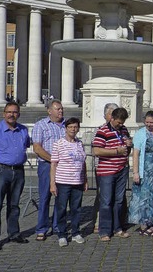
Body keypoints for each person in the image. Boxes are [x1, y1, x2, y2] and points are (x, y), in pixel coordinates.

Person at [0, 102, 30, 251]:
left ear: (18, 114)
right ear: (3, 113)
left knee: (14, 205)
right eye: (9, 112)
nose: (11, 114)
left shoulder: (23, 130)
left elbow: (25, 146)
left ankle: (14, 233)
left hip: (18, 171)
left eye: (14, 112)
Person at [92, 107, 132, 241]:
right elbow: (96, 151)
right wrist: (116, 152)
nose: (121, 125)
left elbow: (126, 150)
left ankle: (117, 228)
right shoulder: (103, 131)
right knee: (106, 201)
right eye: (119, 123)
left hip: (122, 169)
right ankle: (104, 231)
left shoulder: (124, 130)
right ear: (112, 118)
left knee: (119, 200)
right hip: (107, 171)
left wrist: (129, 145)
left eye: (122, 123)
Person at [129, 111, 153, 236]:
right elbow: (136, 153)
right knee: (145, 198)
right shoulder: (141, 134)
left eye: (151, 122)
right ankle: (144, 224)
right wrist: (135, 172)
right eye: (147, 122)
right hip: (145, 171)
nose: (149, 125)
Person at [50, 117, 87, 247]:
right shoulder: (58, 143)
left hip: (77, 181)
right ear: (66, 128)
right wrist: (52, 183)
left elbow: (83, 163)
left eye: (75, 127)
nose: (73, 129)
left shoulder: (80, 144)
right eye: (70, 127)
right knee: (61, 208)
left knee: (76, 209)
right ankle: (62, 234)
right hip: (63, 181)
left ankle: (76, 232)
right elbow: (53, 164)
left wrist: (85, 179)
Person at [32, 99, 65, 241]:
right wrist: (53, 160)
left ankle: (58, 226)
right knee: (45, 197)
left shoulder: (66, 125)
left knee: (61, 197)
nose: (61, 111)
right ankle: (42, 227)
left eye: (62, 109)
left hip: (64, 166)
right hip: (46, 165)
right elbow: (37, 148)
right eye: (58, 109)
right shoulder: (41, 125)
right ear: (49, 111)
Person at [91, 103, 118, 233]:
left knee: (117, 197)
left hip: (118, 168)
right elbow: (96, 150)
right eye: (111, 114)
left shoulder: (121, 129)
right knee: (103, 196)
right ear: (105, 115)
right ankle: (99, 222)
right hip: (103, 167)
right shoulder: (100, 129)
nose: (113, 117)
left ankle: (115, 222)